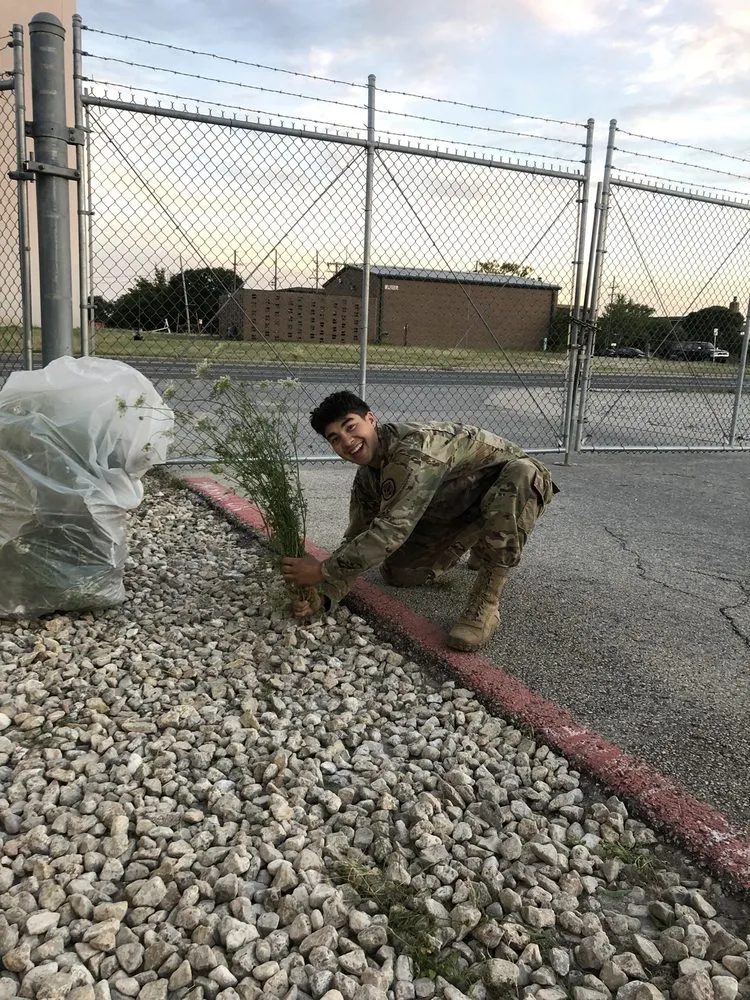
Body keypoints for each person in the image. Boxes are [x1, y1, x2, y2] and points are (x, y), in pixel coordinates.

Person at [281, 391, 558, 652]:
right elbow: (357, 535)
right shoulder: (368, 477)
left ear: (371, 419)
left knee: (522, 473)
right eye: (335, 438)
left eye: (350, 426)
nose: (346, 441)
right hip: (455, 506)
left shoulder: (415, 448)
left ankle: (485, 601)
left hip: (505, 485)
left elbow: (391, 532)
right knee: (401, 574)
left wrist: (322, 571)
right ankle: (478, 536)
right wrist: (326, 595)